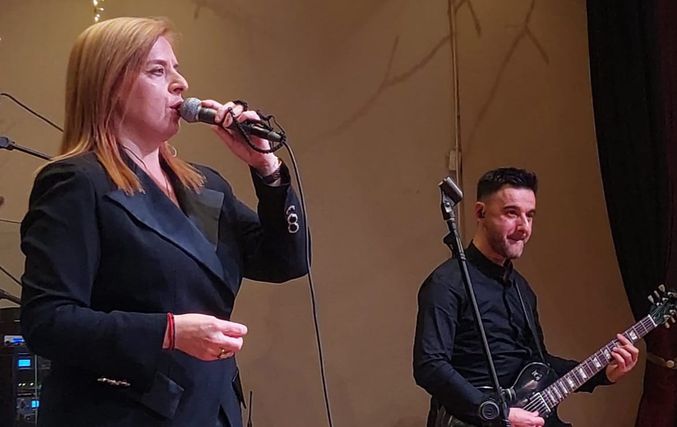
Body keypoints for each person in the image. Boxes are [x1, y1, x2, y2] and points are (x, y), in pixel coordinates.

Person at [19, 17, 307, 427]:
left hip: (211, 409)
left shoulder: (204, 185)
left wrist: (267, 169)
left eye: (176, 68)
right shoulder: (76, 182)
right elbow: (48, 321)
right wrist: (168, 332)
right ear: (110, 86)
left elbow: (287, 262)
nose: (181, 83)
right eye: (157, 71)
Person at [413, 168, 639, 427]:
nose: (524, 227)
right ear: (480, 213)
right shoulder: (446, 283)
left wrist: (603, 373)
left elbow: (539, 363)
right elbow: (430, 365)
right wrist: (498, 413)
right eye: (512, 213)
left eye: (529, 215)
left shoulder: (522, 290)